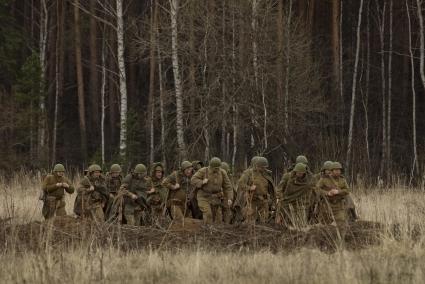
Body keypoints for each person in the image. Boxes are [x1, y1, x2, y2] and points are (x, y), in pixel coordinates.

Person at [191, 157, 233, 224]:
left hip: (215, 198)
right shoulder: (203, 171)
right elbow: (193, 180)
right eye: (214, 168)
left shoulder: (222, 172)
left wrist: (230, 198)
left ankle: (212, 232)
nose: (216, 170)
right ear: (211, 166)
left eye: (217, 168)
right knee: (208, 214)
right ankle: (207, 231)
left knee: (217, 219)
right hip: (203, 196)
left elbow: (228, 186)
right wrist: (202, 182)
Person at [316, 162, 350, 240]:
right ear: (332, 171)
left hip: (339, 205)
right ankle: (325, 240)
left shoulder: (342, 180)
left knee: (341, 224)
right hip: (327, 206)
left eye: (339, 170)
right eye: (336, 170)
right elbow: (316, 189)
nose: (338, 171)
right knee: (325, 225)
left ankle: (340, 241)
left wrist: (338, 192)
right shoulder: (324, 179)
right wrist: (327, 193)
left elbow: (347, 190)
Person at [276, 163, 315, 228]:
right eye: (297, 172)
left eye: (301, 173)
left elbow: (313, 189)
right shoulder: (289, 178)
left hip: (300, 203)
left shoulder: (308, 180)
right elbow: (281, 190)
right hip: (288, 200)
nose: (299, 174)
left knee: (300, 223)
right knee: (284, 220)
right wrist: (280, 197)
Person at [237, 156, 275, 224]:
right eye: (262, 167)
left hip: (264, 201)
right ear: (257, 166)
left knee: (264, 222)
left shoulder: (267, 174)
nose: (264, 169)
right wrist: (249, 188)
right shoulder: (249, 173)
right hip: (252, 201)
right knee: (250, 221)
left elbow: (271, 189)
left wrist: (273, 202)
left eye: (265, 167)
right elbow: (241, 184)